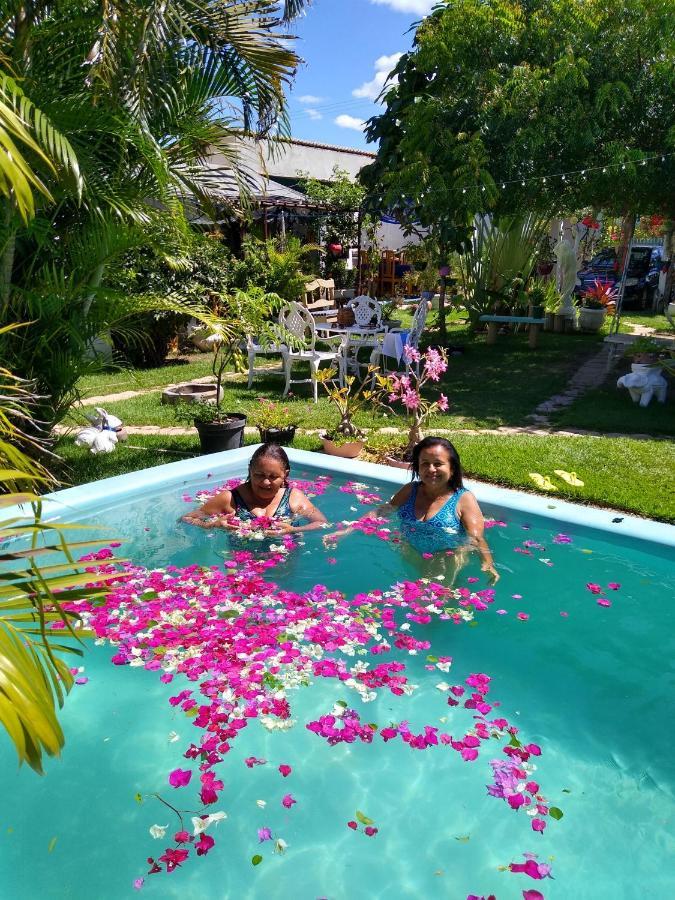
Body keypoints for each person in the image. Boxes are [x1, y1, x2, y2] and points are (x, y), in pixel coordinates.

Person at [326, 436, 499, 583]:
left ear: (452, 468)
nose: (431, 469)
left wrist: (487, 563)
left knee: (435, 609)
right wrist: (346, 531)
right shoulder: (410, 490)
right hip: (410, 553)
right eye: (425, 463)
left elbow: (475, 538)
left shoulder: (463, 499)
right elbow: (382, 511)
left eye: (438, 464)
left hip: (447, 558)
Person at [181, 443, 327, 535]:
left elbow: (321, 523)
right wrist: (211, 525)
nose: (265, 482)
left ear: (285, 475)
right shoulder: (230, 499)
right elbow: (186, 518)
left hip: (284, 565)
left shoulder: (293, 497)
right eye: (259, 475)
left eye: (273, 476)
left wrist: (293, 530)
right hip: (240, 568)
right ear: (250, 470)